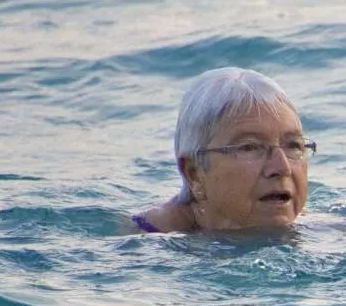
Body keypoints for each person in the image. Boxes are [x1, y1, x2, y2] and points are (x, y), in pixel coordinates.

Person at [132, 67, 315, 233]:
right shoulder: (148, 241)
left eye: (293, 145)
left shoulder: (324, 231)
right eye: (250, 147)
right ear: (194, 174)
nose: (282, 168)